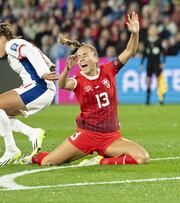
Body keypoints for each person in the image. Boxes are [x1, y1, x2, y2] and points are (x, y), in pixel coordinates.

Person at [18, 12, 150, 166]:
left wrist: (135, 33)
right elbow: (61, 85)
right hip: (87, 135)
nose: (81, 59)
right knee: (49, 161)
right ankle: (34, 157)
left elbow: (129, 51)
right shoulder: (78, 81)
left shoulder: (108, 70)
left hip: (111, 137)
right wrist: (67, 68)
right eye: (79, 57)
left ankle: (100, 161)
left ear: (95, 58)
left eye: (85, 55)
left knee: (143, 157)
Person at [0, 23, 58, 167]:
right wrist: (49, 62)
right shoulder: (14, 48)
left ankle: (11, 150)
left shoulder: (11, 45)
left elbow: (30, 51)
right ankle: (32, 133)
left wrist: (43, 72)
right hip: (37, 88)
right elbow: (34, 49)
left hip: (39, 88)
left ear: (1, 39)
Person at [140, 24, 167, 105]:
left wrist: (163, 62)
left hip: (157, 63)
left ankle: (161, 99)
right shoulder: (146, 40)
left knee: (159, 81)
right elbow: (144, 53)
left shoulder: (159, 40)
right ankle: (148, 100)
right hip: (149, 63)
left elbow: (163, 52)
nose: (152, 31)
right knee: (148, 81)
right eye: (151, 29)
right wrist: (142, 63)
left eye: (154, 29)